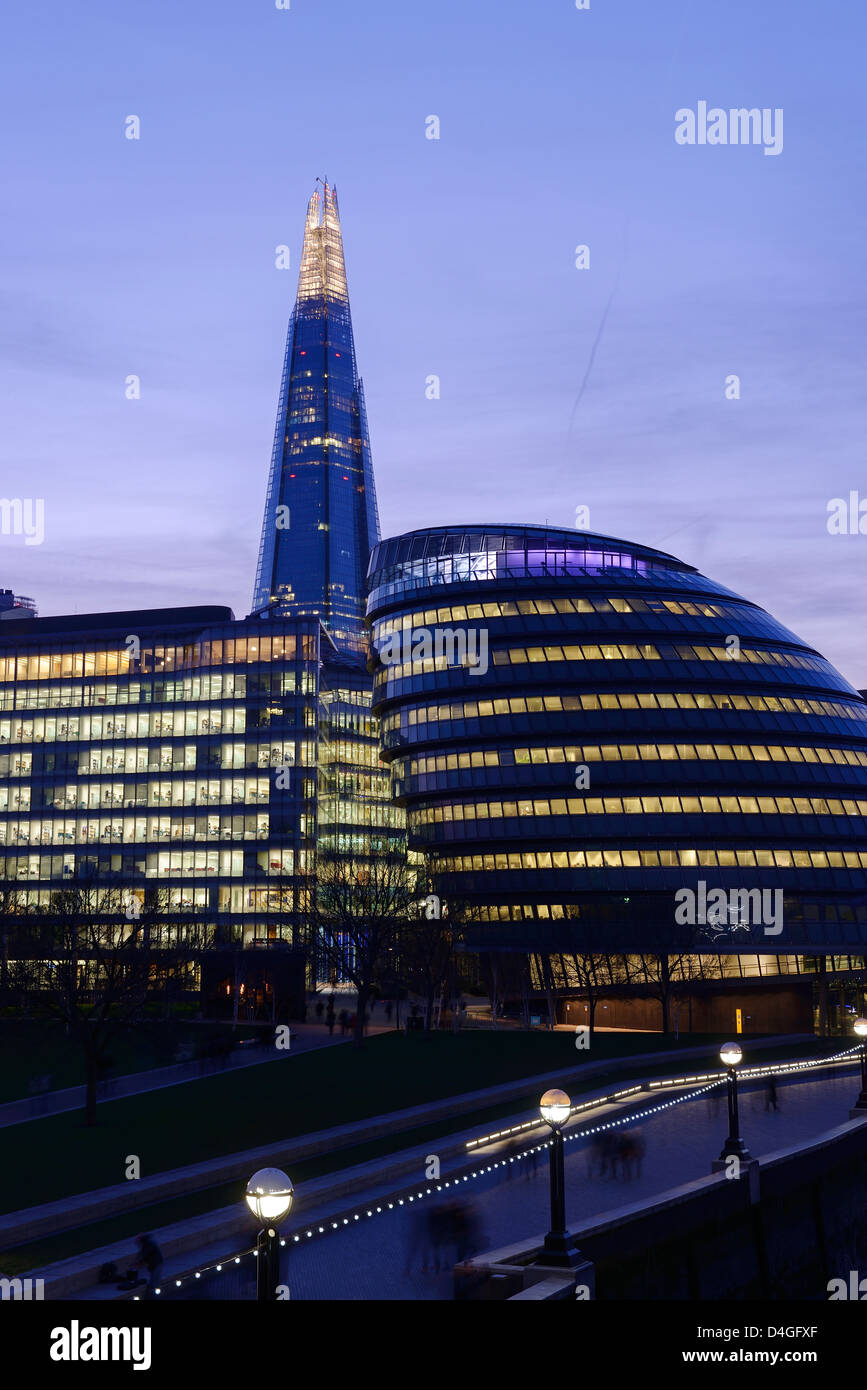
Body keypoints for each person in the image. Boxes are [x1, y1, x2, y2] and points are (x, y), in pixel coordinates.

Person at [135, 1233, 163, 1300]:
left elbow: (145, 1254)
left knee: (154, 1282)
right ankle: (150, 1295)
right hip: (154, 1265)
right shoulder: (147, 1245)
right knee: (153, 1281)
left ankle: (153, 1297)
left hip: (156, 1264)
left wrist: (139, 1262)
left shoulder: (149, 1245)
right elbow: (142, 1254)